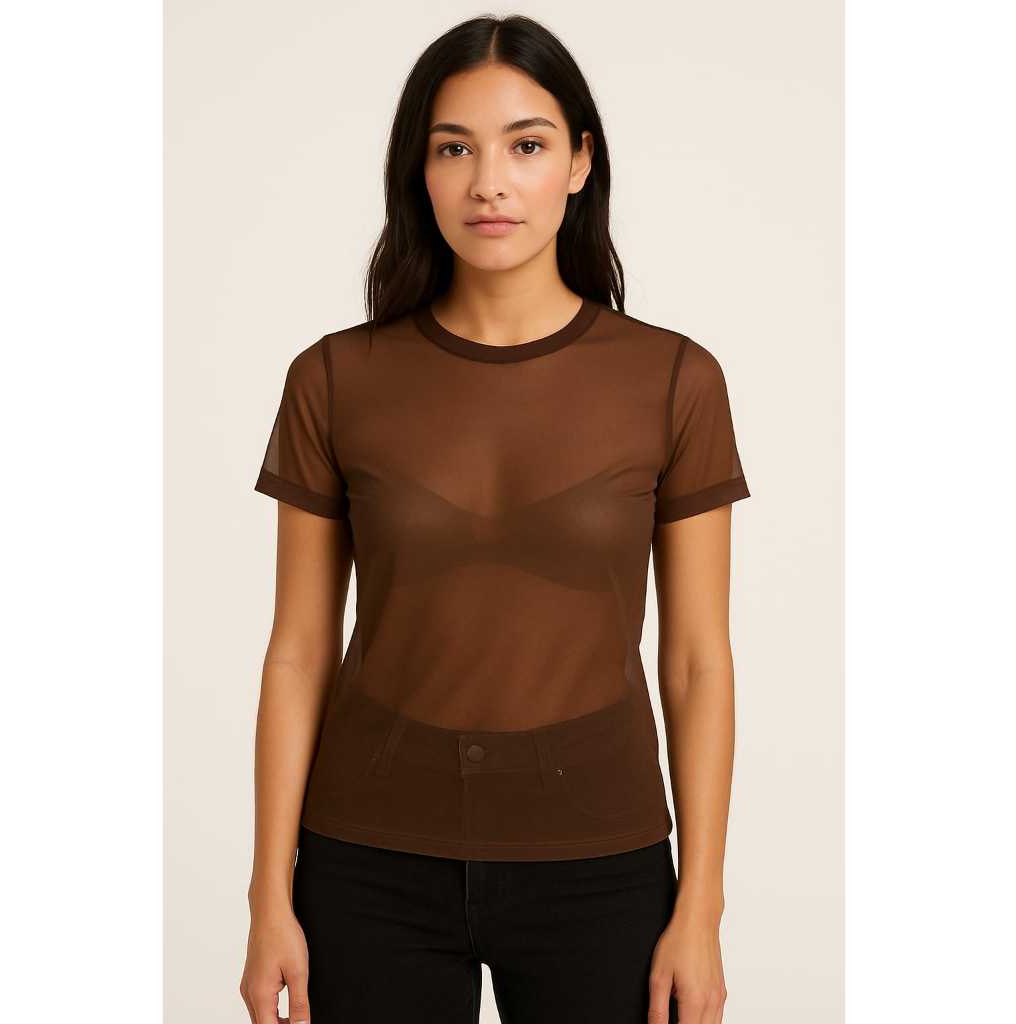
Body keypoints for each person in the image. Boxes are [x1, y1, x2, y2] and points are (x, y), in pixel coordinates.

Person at [240, 14, 750, 1024]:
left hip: (601, 864)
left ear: (579, 163)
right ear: (418, 171)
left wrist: (700, 907)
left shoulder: (674, 381)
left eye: (526, 145)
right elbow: (297, 650)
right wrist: (267, 897)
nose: (489, 183)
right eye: (453, 149)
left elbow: (698, 660)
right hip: (366, 864)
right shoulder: (334, 379)